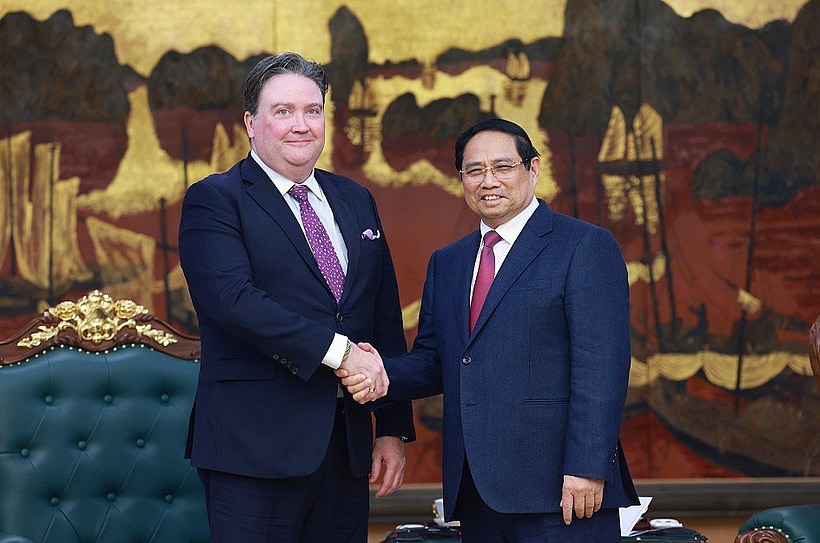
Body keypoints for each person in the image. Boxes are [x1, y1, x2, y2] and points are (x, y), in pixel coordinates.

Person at [340, 118, 638, 542]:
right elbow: (434, 361)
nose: (488, 181)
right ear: (461, 178)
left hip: (562, 491)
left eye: (503, 167)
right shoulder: (449, 262)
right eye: (474, 170)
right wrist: (376, 371)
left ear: (533, 169)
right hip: (477, 491)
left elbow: (602, 367)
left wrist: (587, 467)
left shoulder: (584, 246)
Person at [178, 51, 415, 543]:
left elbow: (382, 314)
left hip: (345, 450)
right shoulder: (216, 199)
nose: (301, 125)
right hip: (253, 449)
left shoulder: (356, 199)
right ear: (250, 122)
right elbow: (232, 300)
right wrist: (341, 352)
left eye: (312, 110)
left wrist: (391, 426)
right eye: (282, 111)